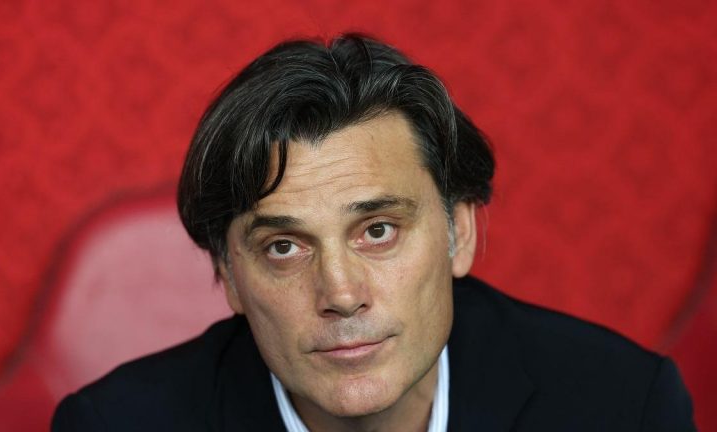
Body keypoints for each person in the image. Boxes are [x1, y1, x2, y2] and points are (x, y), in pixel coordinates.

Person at [52, 34, 695, 431]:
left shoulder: (622, 406)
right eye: (284, 247)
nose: (340, 293)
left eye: (378, 230)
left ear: (460, 232)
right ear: (228, 275)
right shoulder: (116, 424)